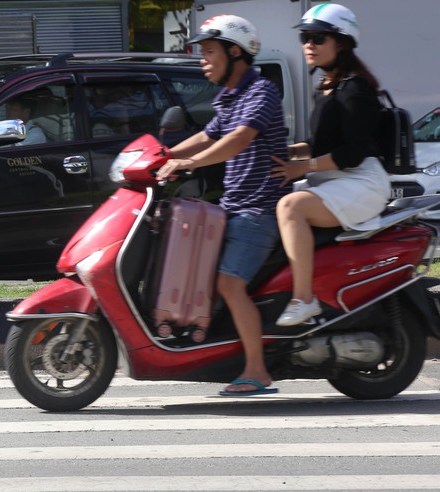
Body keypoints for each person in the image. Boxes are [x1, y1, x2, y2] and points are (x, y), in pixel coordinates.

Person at [156, 14, 290, 396]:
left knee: (229, 284)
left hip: (257, 210)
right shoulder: (231, 96)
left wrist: (188, 163)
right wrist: (162, 155)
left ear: (235, 52)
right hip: (233, 207)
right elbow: (207, 135)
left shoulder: (261, 92)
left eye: (210, 52)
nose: (203, 60)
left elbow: (238, 141)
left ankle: (257, 370)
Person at [270, 3, 391, 327]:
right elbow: (320, 143)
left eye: (318, 38)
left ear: (341, 42)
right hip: (331, 178)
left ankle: (303, 298)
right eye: (305, 37)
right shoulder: (327, 85)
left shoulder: (355, 88)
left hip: (360, 182)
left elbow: (351, 153)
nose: (309, 44)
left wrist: (302, 166)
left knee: (291, 207)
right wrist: (279, 151)